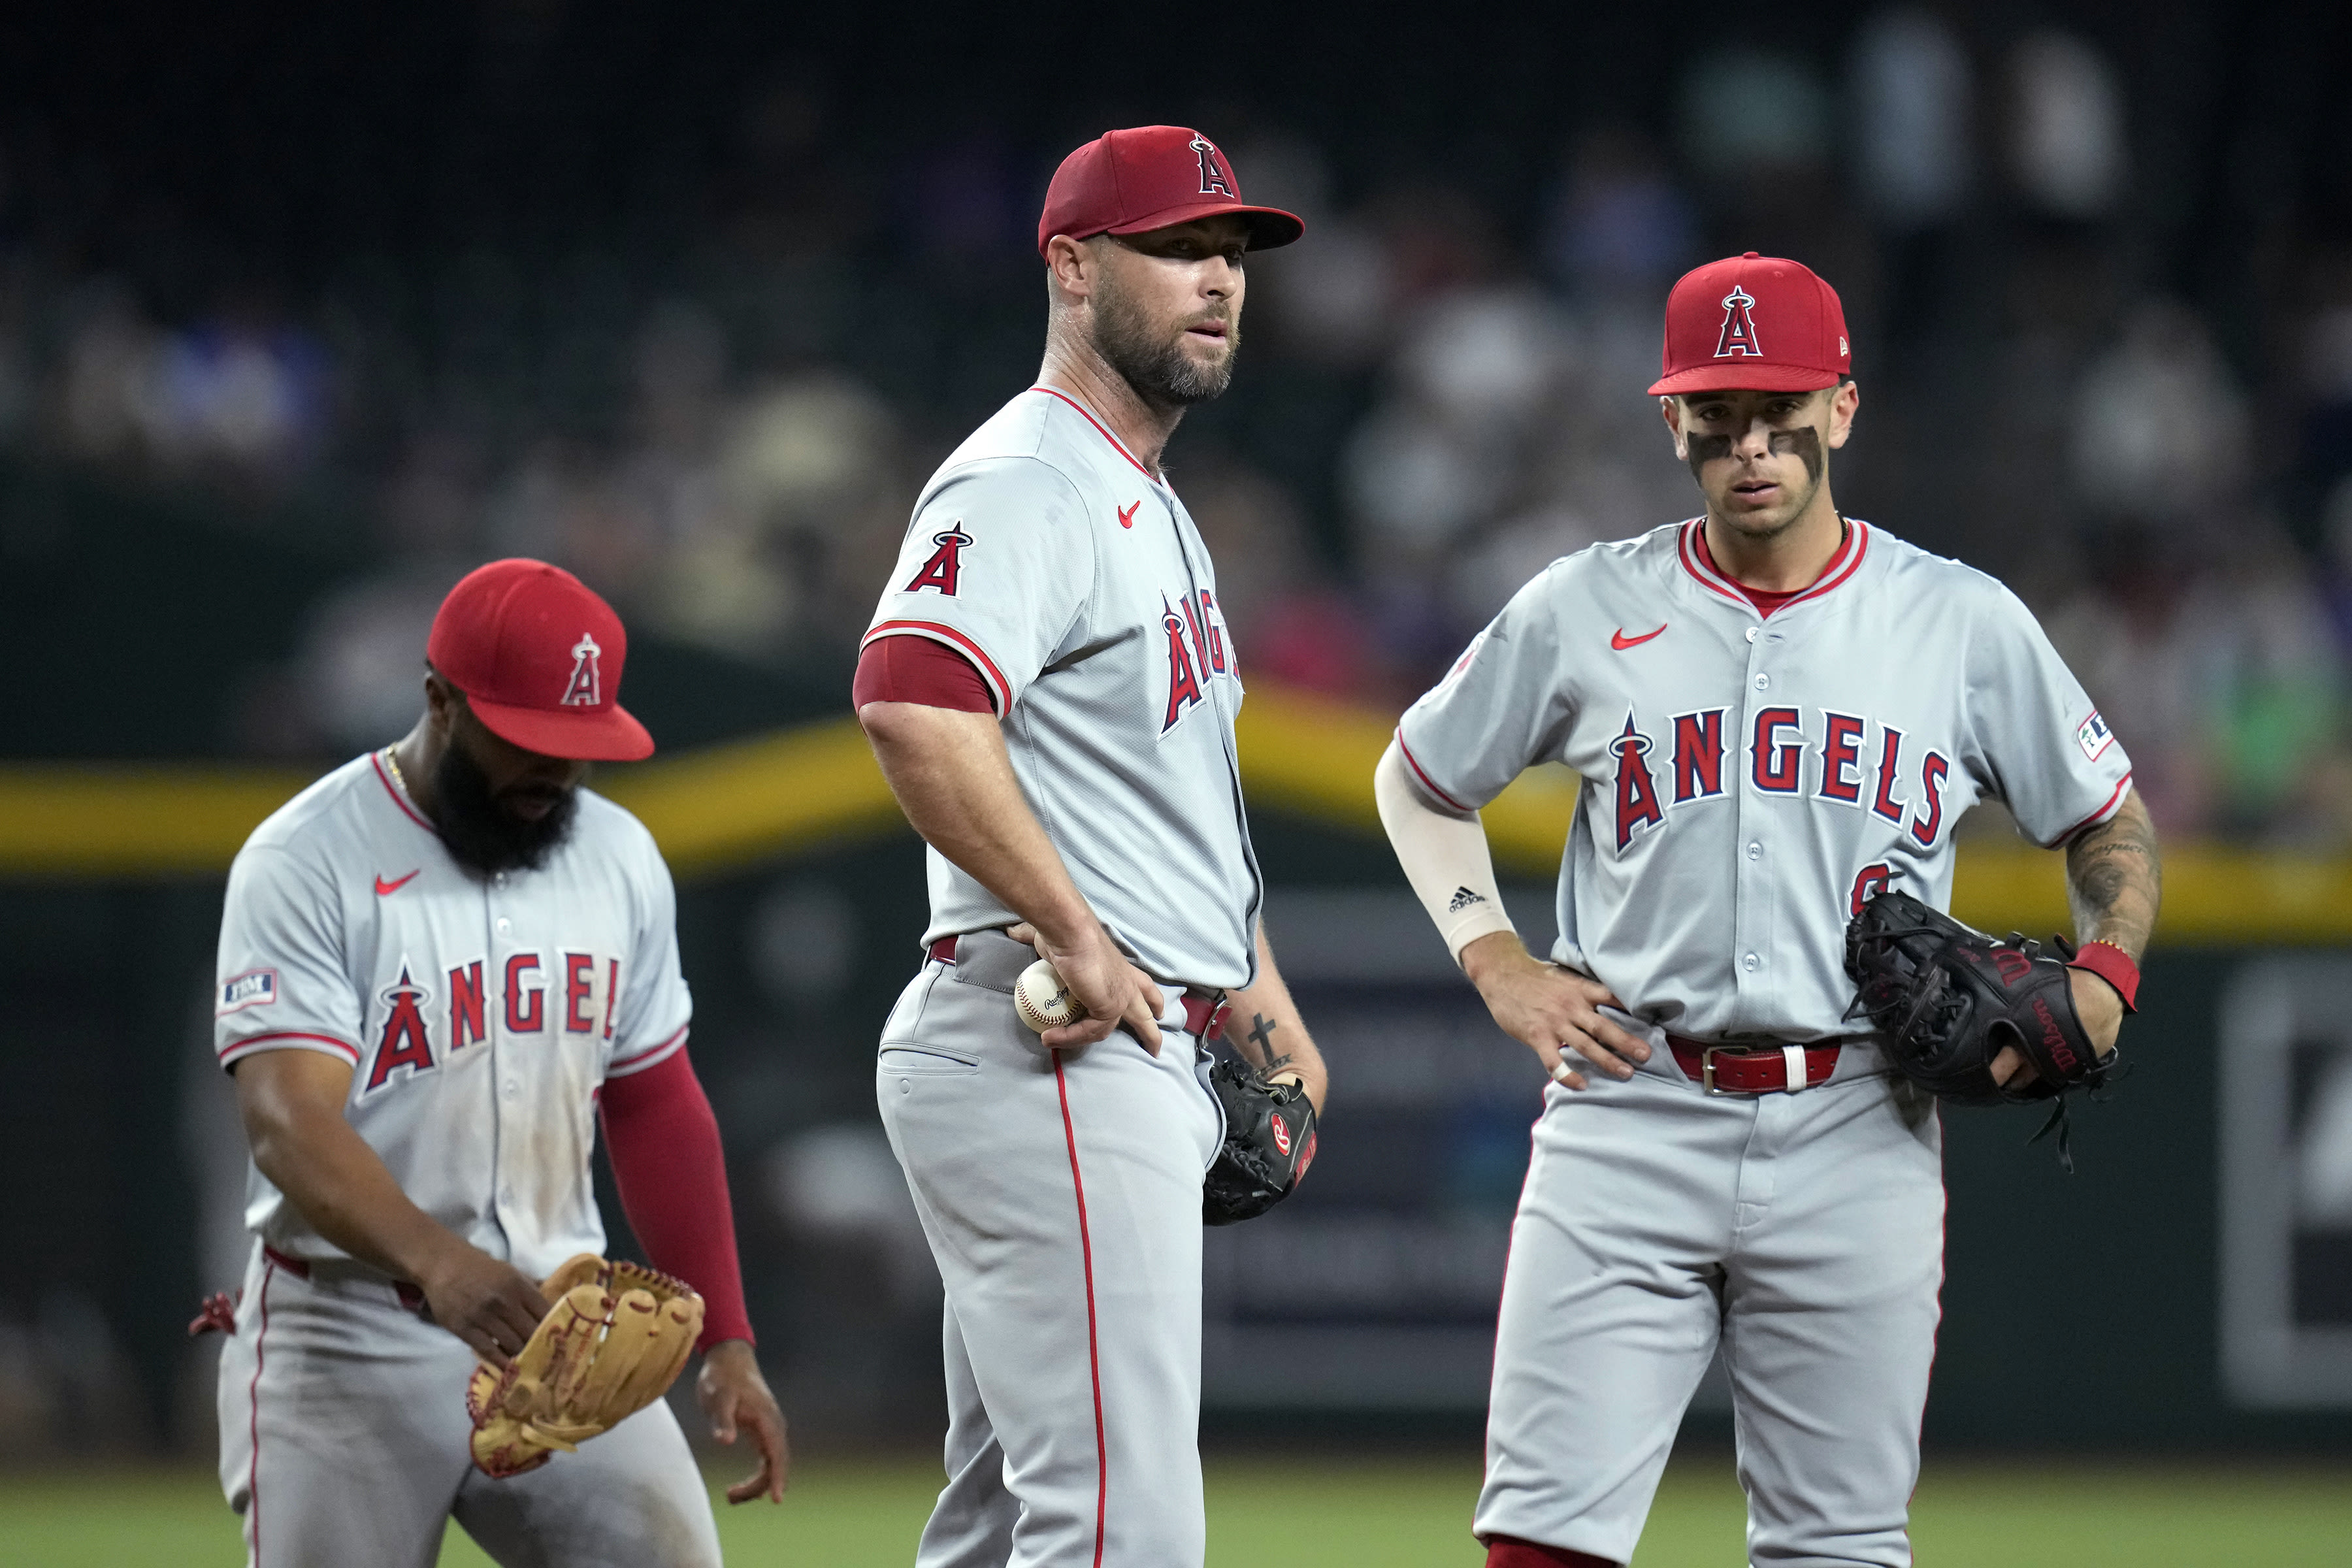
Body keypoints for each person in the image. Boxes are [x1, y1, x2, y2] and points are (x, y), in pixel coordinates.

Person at [1373, 253, 2161, 1568]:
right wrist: (1494, 954)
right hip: (1632, 1112)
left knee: (1837, 1550)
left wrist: (2107, 976)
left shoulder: (1954, 620)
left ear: (1842, 408)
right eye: (1718, 413)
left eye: (1781, 409)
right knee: (1539, 1543)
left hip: (1861, 1119)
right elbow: (1418, 780)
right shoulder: (1586, 604)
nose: (1751, 444)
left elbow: (2108, 821)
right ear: (1669, 418)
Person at [853, 125, 1330, 1568]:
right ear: (1071, 265)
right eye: (1180, 249)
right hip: (1046, 1044)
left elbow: (1166, 799)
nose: (1220, 283)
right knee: (1123, 1533)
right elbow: (912, 702)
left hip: (1126, 1045)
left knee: (1004, 1530)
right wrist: (1075, 932)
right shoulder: (1028, 483)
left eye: (1233, 256)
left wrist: (1263, 1002)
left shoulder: (1147, 500)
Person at [205, 558, 787, 1568]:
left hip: (557, 1329)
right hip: (349, 1337)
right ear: (438, 700)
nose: (556, 772)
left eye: (580, 744)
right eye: (528, 741)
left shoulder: (617, 857)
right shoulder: (306, 860)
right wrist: (440, 1265)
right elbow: (288, 1122)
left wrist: (727, 1338)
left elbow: (655, 1105)